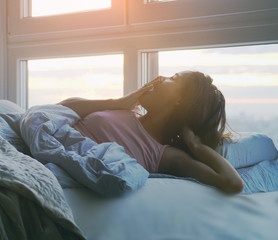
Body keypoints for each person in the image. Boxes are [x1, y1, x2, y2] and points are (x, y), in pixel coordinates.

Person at [59, 70, 244, 194]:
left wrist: (197, 147)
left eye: (174, 78)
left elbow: (232, 183)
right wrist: (115, 103)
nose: (161, 77)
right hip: (40, 146)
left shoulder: (164, 155)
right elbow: (61, 109)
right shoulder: (124, 108)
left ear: (180, 99)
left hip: (56, 168)